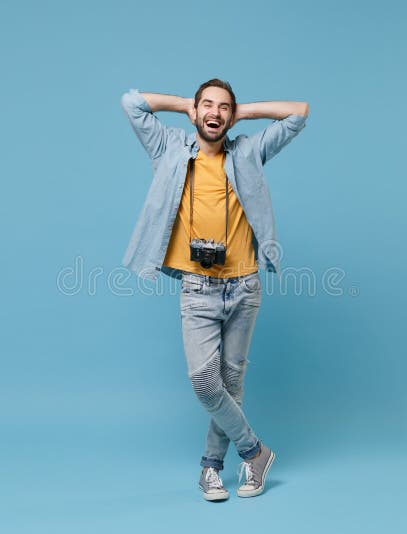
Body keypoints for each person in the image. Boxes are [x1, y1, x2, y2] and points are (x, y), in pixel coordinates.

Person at [120, 79, 308, 501]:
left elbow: (299, 112)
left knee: (231, 382)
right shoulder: (168, 147)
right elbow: (132, 103)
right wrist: (185, 103)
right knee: (206, 382)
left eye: (224, 107)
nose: (215, 112)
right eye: (208, 105)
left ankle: (211, 467)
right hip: (198, 289)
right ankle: (254, 451)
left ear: (230, 115)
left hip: (244, 286)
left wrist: (245, 112)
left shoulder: (248, 152)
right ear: (195, 111)